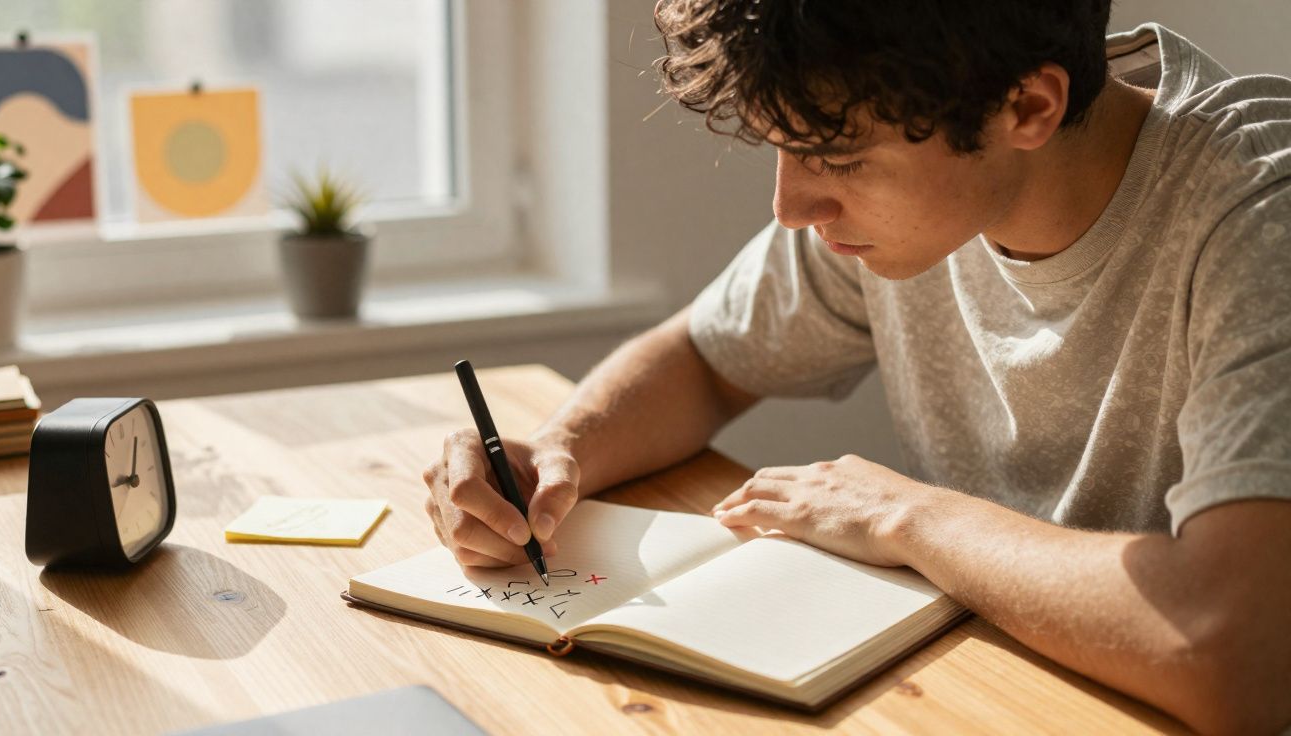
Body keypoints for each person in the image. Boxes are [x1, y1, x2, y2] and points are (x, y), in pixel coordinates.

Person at [422, 2, 1291, 731]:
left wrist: (909, 517)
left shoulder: (1259, 212)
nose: (792, 206)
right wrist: (557, 450)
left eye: (837, 160)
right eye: (784, 148)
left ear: (1028, 109)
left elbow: (1234, 655)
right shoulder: (920, 164)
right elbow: (705, 358)